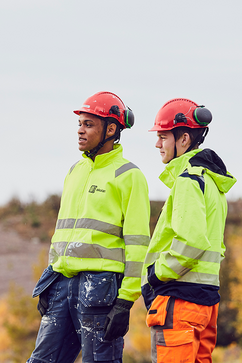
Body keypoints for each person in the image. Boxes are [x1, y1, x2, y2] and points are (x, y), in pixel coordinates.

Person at [27, 92, 151, 363]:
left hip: (101, 288)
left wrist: (126, 301)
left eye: (88, 124)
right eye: (79, 124)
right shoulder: (74, 171)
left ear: (111, 129)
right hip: (62, 284)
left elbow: (139, 243)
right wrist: (49, 278)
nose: (80, 131)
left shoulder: (130, 176)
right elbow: (61, 234)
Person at [142, 98, 237, 362]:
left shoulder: (188, 181)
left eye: (162, 136)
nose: (157, 144)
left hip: (179, 300)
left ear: (183, 139)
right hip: (206, 302)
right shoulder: (212, 183)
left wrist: (156, 274)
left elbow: (192, 242)